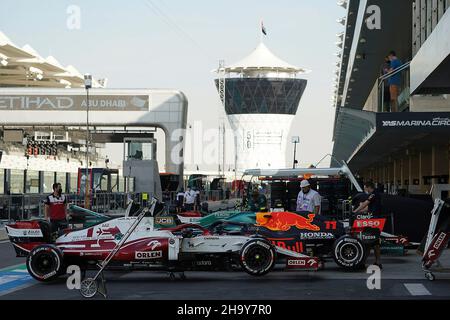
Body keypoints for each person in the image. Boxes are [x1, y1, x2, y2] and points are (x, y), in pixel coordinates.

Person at [353, 181, 383, 268]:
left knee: (369, 240)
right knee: (373, 241)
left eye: (365, 187)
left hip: (374, 220)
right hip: (374, 219)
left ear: (368, 187)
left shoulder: (374, 194)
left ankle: (364, 262)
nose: (364, 189)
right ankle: (376, 262)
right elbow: (368, 208)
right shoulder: (376, 194)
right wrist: (360, 211)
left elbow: (366, 203)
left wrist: (356, 211)